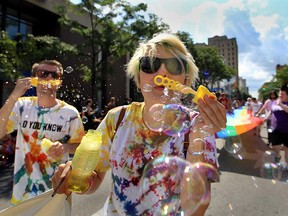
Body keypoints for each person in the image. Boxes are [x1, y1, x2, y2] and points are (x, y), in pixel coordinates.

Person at [52, 33, 226, 215]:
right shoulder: (116, 119)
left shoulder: (198, 126)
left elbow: (195, 209)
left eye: (175, 65)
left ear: (186, 79)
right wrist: (75, 176)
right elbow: (93, 179)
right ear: (138, 78)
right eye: (150, 64)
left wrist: (197, 138)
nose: (162, 73)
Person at [0, 60, 85, 205]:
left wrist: (65, 147)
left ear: (60, 82)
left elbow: (81, 146)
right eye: (43, 73)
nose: (49, 78)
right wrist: (14, 95)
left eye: (54, 74)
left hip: (56, 193)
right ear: (34, 79)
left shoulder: (70, 113)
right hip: (23, 194)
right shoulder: (22, 106)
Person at [270, 85, 288, 163]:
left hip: (286, 131)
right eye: (280, 94)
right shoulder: (274, 102)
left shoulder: (282, 103)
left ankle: (287, 168)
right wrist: (265, 118)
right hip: (275, 129)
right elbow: (271, 112)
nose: (280, 96)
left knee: (287, 150)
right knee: (275, 147)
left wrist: (280, 104)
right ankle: (278, 156)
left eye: (283, 94)